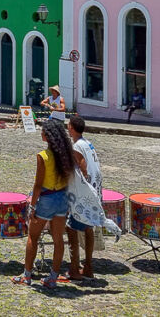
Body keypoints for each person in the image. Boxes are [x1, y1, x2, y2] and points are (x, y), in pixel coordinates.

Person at [12, 119, 75, 288]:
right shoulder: (66, 156)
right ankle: (53, 277)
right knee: (58, 240)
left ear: (48, 137)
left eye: (43, 132)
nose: (41, 133)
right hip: (62, 198)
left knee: (33, 236)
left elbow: (38, 185)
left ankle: (26, 275)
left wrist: (32, 206)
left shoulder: (43, 157)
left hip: (46, 199)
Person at [65, 115, 102, 280]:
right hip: (95, 190)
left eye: (68, 124)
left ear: (71, 128)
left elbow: (83, 170)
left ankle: (74, 267)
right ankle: (88, 265)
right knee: (88, 229)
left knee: (71, 228)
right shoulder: (88, 143)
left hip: (85, 194)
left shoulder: (77, 146)